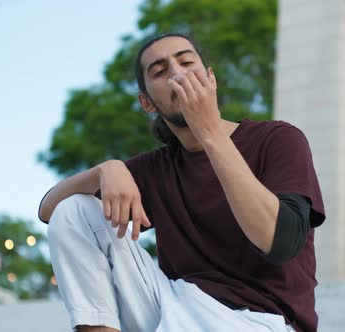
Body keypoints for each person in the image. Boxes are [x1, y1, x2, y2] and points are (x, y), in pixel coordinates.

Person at [38, 33, 326, 332]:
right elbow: (50, 211)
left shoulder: (277, 139)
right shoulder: (156, 168)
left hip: (261, 320)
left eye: (187, 62)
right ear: (147, 102)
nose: (177, 73)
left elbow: (281, 243)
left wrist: (209, 132)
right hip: (174, 309)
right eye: (160, 71)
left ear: (210, 79)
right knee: (75, 210)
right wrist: (103, 170)